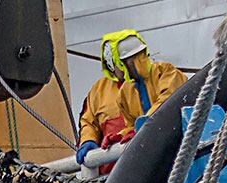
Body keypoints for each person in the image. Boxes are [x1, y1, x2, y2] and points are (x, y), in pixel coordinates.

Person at [76, 30, 189, 170]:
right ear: (113, 63)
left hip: (162, 160)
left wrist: (139, 129)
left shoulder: (164, 73)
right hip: (114, 171)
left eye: (138, 57)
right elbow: (88, 122)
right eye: (129, 61)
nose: (136, 64)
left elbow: (168, 103)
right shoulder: (102, 90)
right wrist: (88, 141)